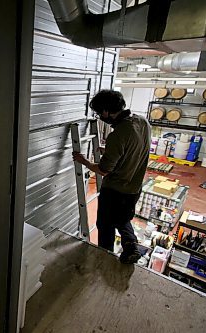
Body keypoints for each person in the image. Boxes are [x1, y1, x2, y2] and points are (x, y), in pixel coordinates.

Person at [72, 90, 151, 264]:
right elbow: (132, 149)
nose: (101, 116)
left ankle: (104, 258)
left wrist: (83, 160)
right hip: (134, 188)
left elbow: (103, 170)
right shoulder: (142, 122)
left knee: (105, 226)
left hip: (115, 190)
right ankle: (131, 246)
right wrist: (109, 151)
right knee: (123, 219)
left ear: (106, 111)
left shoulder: (117, 134)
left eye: (100, 113)